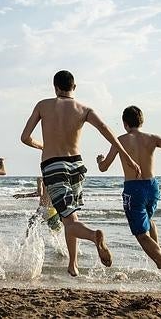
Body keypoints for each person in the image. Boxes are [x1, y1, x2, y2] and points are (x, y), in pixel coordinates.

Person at [20, 70, 141, 277]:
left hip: (53, 165)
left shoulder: (43, 105)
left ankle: (95, 236)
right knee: (71, 217)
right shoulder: (84, 109)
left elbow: (25, 137)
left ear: (55, 87)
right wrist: (127, 157)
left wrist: (42, 146)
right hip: (76, 165)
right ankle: (72, 263)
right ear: (74, 88)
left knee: (68, 220)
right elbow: (106, 130)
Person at [96, 105, 161, 293]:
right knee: (149, 221)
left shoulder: (120, 141)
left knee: (141, 235)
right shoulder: (152, 139)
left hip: (133, 189)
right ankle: (160, 260)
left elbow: (104, 167)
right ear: (141, 122)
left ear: (125, 124)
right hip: (152, 187)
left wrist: (99, 160)